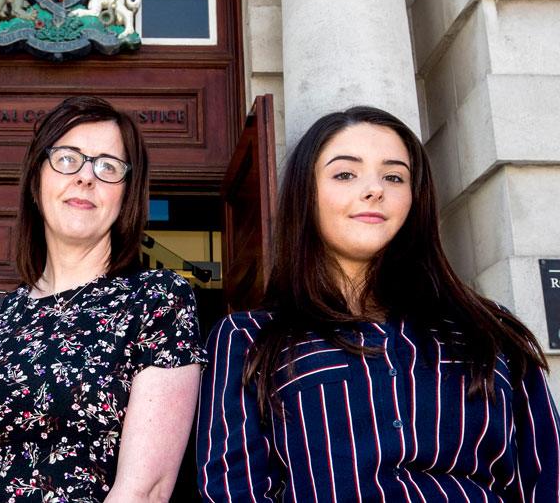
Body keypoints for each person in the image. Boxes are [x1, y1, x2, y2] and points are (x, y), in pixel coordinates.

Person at [197, 106, 560, 501]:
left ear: (414, 199)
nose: (375, 189)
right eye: (345, 174)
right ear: (306, 194)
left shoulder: (489, 329)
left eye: (394, 176)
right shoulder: (250, 338)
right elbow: (231, 490)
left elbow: (549, 477)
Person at [0, 96, 206, 502]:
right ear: (37, 182)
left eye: (108, 166)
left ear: (127, 196)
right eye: (67, 159)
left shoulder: (157, 300)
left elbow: (144, 490)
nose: (86, 177)